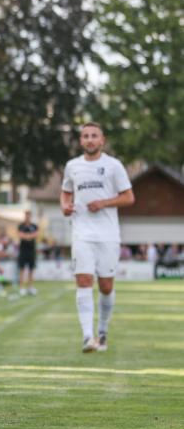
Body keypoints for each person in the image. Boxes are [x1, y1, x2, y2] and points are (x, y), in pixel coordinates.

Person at [60, 122, 134, 353]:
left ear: (102, 140)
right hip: (81, 232)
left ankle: (102, 331)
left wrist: (104, 202)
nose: (90, 140)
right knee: (83, 281)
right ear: (80, 141)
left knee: (105, 285)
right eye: (85, 136)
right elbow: (65, 192)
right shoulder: (72, 166)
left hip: (108, 235)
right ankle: (87, 337)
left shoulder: (113, 166)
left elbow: (129, 197)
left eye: (94, 136)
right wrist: (64, 206)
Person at [17, 211, 39, 295]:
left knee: (31, 269)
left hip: (31, 251)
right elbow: (21, 235)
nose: (27, 217)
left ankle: (30, 287)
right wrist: (29, 236)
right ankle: (22, 287)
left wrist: (27, 236)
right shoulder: (21, 226)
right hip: (23, 250)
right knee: (22, 269)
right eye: (26, 216)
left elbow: (35, 235)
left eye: (29, 216)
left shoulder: (34, 226)